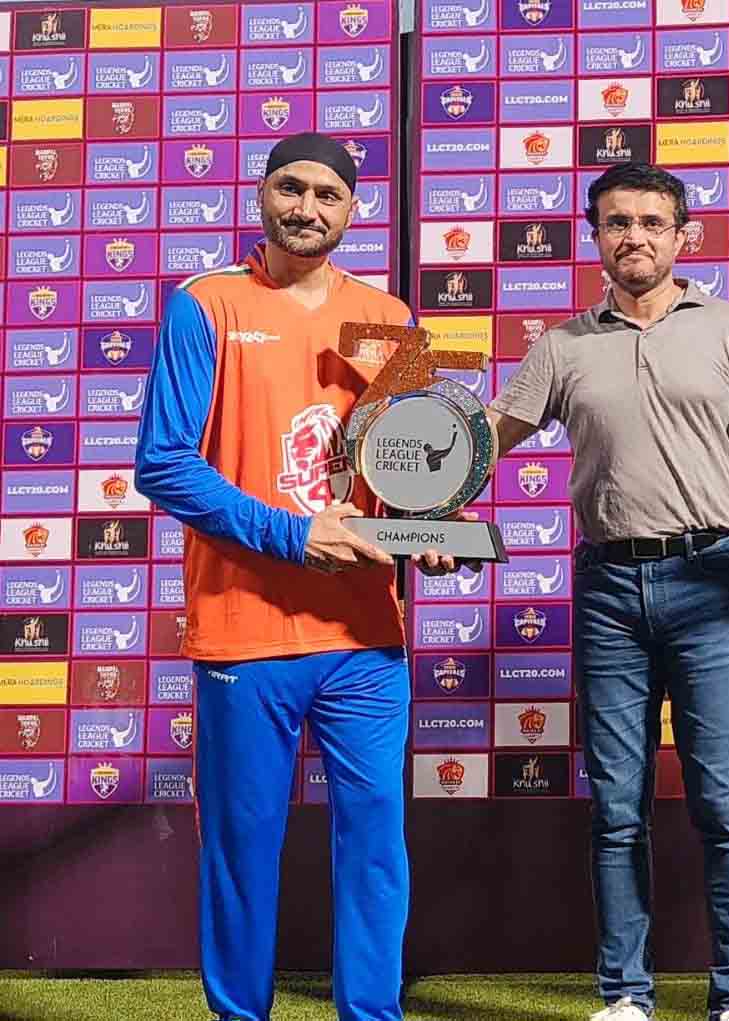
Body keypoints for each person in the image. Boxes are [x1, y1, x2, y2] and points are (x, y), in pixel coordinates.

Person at [136, 132, 460, 1021]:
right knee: (243, 847)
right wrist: (291, 534)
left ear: (353, 211)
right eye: (292, 188)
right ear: (262, 196)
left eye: (328, 194)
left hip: (364, 635)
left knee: (376, 847)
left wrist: (428, 527)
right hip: (245, 625)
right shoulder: (207, 305)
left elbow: (412, 466)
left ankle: (372, 1014)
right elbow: (163, 462)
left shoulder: (392, 316)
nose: (307, 207)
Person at [486, 162, 729, 1021]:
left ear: (682, 235)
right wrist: (393, 464)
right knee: (617, 807)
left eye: (652, 222)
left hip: (710, 576)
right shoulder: (562, 344)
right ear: (595, 236)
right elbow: (483, 442)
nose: (634, 236)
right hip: (606, 587)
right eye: (617, 221)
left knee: (725, 803)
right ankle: (626, 994)